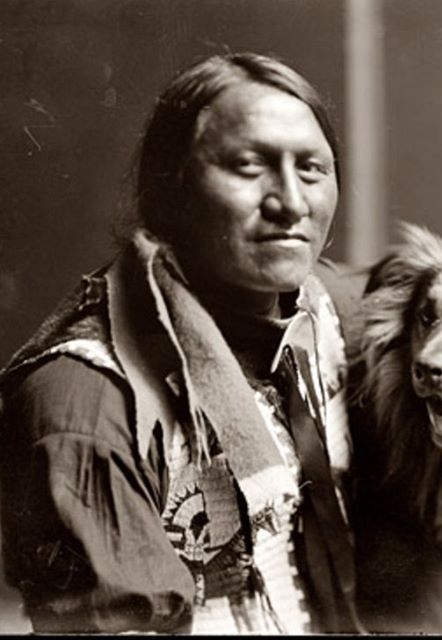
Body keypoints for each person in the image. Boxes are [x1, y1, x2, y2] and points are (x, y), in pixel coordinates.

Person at [0, 52, 366, 634]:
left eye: (313, 170)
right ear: (171, 189)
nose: (292, 203)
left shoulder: (334, 314)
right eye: (250, 166)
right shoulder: (87, 403)